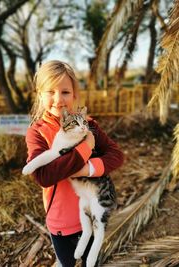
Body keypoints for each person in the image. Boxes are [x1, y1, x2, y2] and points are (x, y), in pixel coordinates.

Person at [25, 60, 124, 267]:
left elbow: (116, 155)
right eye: (50, 91)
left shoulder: (88, 124)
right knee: (67, 263)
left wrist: (88, 168)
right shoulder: (37, 132)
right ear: (39, 93)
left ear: (75, 94)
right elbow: (44, 176)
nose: (58, 100)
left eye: (65, 92)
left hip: (91, 210)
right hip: (60, 221)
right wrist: (85, 149)